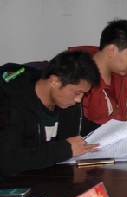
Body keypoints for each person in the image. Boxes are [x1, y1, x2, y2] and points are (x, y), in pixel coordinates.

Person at [0, 51, 101, 179]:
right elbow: (8, 161)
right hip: (15, 184)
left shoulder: (69, 105)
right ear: (54, 81)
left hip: (52, 180)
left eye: (83, 94)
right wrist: (65, 149)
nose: (78, 100)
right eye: (77, 93)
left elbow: (80, 133)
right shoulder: (12, 102)